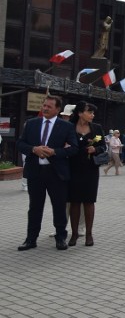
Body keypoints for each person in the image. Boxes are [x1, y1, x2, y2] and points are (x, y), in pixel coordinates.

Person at [17, 96, 79, 251]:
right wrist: (33, 149)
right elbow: (20, 143)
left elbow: (74, 148)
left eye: (49, 107)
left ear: (58, 109)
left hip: (56, 173)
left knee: (59, 206)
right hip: (35, 172)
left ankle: (60, 238)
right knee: (34, 207)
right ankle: (31, 239)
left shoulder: (66, 127)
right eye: (44, 105)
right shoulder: (31, 124)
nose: (45, 108)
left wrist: (54, 152)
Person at [67, 102, 106, 247]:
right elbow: (62, 143)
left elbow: (103, 146)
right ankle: (74, 233)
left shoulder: (96, 128)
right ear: (80, 113)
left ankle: (89, 234)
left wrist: (95, 150)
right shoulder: (69, 127)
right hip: (73, 168)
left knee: (89, 201)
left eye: (93, 113)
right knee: (74, 201)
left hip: (90, 169)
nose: (92, 115)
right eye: (89, 112)